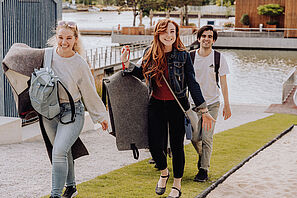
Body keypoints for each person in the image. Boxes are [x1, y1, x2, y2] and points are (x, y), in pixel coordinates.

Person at [121, 19, 215, 198]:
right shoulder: (149, 53)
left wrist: (204, 110)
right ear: (158, 33)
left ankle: (177, 185)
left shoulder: (183, 55)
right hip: (155, 104)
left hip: (177, 105)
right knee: (155, 146)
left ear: (176, 33)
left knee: (177, 146)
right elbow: (140, 74)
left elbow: (193, 84)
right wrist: (126, 63)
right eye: (165, 32)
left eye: (172, 32)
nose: (169, 35)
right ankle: (164, 173)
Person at [44, 21, 108, 198]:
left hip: (73, 112)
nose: (64, 42)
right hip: (49, 112)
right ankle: (71, 187)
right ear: (56, 37)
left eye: (68, 38)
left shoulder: (79, 63)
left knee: (58, 151)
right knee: (63, 150)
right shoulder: (47, 55)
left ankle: (55, 195)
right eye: (61, 37)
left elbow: (89, 92)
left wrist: (101, 116)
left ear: (75, 39)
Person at [190, 25, 231, 182]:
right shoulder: (191, 57)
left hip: (212, 104)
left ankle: (203, 170)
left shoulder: (218, 58)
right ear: (199, 38)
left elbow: (224, 83)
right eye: (204, 36)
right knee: (194, 137)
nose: (206, 39)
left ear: (213, 40)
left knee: (207, 137)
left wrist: (227, 105)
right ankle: (202, 155)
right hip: (194, 104)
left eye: (209, 36)